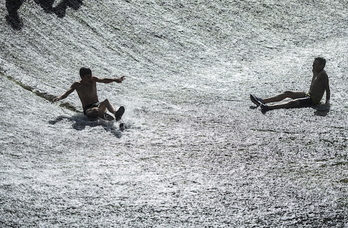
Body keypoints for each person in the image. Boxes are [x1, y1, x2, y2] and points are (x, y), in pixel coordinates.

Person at [250, 57, 330, 114]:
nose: (313, 65)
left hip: (313, 99)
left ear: (321, 65)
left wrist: (327, 103)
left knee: (292, 103)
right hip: (308, 94)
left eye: (315, 64)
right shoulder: (315, 71)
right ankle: (263, 100)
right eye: (313, 63)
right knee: (287, 93)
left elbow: (327, 88)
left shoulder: (323, 74)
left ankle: (268, 107)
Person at [53, 67, 126, 121]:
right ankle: (113, 122)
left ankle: (116, 114)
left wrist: (115, 80)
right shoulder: (77, 85)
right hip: (88, 110)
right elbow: (67, 93)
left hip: (97, 105)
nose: (90, 79)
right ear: (82, 77)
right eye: (87, 77)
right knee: (95, 110)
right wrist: (59, 98)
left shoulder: (93, 80)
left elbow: (104, 80)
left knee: (106, 101)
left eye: (90, 76)